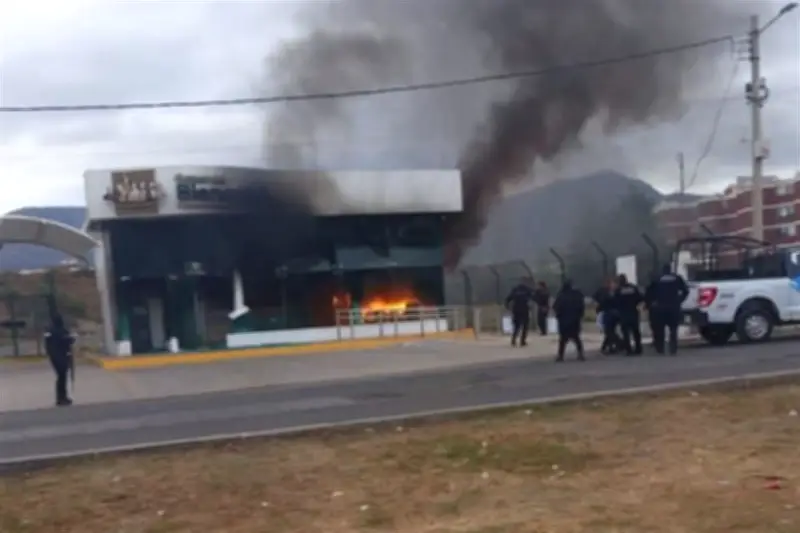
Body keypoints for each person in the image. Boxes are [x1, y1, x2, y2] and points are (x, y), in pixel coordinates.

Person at [651, 264, 690, 355]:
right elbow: (686, 291)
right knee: (673, 329)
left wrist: (653, 303)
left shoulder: (657, 279)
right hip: (673, 307)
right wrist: (680, 300)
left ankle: (660, 349)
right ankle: (673, 348)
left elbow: (650, 292)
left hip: (660, 307)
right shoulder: (676, 278)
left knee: (660, 329)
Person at [45, 315, 74, 406]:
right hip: (61, 356)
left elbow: (48, 344)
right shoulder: (60, 331)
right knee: (62, 377)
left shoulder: (50, 331)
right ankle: (61, 398)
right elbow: (66, 341)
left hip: (54, 357)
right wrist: (71, 339)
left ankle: (62, 397)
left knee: (61, 377)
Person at [553, 279, 585, 362]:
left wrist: (558, 316)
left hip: (564, 320)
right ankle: (580, 354)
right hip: (575, 319)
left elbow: (556, 307)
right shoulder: (577, 295)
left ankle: (560, 355)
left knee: (563, 339)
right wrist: (579, 315)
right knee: (576, 338)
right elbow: (581, 306)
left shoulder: (561, 295)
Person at [614, 274, 643, 355]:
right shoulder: (633, 288)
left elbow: (615, 301)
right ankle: (638, 348)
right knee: (636, 331)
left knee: (626, 332)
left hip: (623, 313)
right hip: (633, 311)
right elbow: (640, 298)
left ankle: (628, 350)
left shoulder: (618, 290)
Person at [593, 277, 621, 354]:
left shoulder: (612, 291)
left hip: (608, 313)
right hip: (607, 312)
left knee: (609, 331)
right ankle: (612, 346)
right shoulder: (606, 291)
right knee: (609, 331)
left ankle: (614, 345)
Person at [505, 279, 536, 347]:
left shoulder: (515, 290)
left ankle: (514, 339)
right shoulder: (527, 290)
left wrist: (507, 306)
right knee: (525, 326)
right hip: (524, 309)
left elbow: (508, 298)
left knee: (516, 326)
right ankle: (522, 341)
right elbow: (534, 297)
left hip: (516, 309)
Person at [644, 275, 664, 353]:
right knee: (660, 328)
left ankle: (657, 343)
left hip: (653, 311)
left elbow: (646, 298)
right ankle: (659, 344)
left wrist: (647, 305)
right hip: (660, 310)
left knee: (655, 328)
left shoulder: (649, 289)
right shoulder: (661, 289)